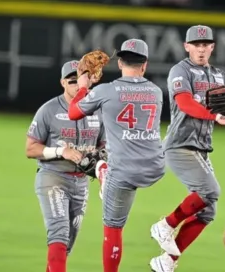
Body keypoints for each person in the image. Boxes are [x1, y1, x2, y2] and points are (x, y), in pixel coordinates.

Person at [149, 25, 225, 271]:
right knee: (211, 191)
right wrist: (214, 117)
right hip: (179, 144)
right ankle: (165, 225)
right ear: (186, 46)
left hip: (201, 148)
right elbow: (184, 104)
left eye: (205, 44)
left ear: (212, 47)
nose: (201, 49)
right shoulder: (180, 70)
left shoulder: (219, 75)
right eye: (196, 44)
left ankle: (167, 261)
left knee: (207, 211)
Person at [68, 39, 165, 272]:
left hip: (123, 171)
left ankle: (104, 172)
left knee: (113, 227)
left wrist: (83, 86)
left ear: (120, 62)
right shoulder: (156, 91)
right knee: (113, 149)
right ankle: (104, 170)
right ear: (145, 65)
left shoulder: (105, 90)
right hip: (155, 167)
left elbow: (73, 112)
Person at [25, 60, 107, 272]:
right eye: (72, 80)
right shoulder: (49, 110)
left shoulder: (97, 111)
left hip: (81, 182)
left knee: (66, 244)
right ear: (62, 82)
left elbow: (105, 145)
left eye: (81, 80)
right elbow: (30, 148)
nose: (77, 85)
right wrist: (61, 151)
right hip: (53, 177)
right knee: (58, 233)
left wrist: (101, 161)